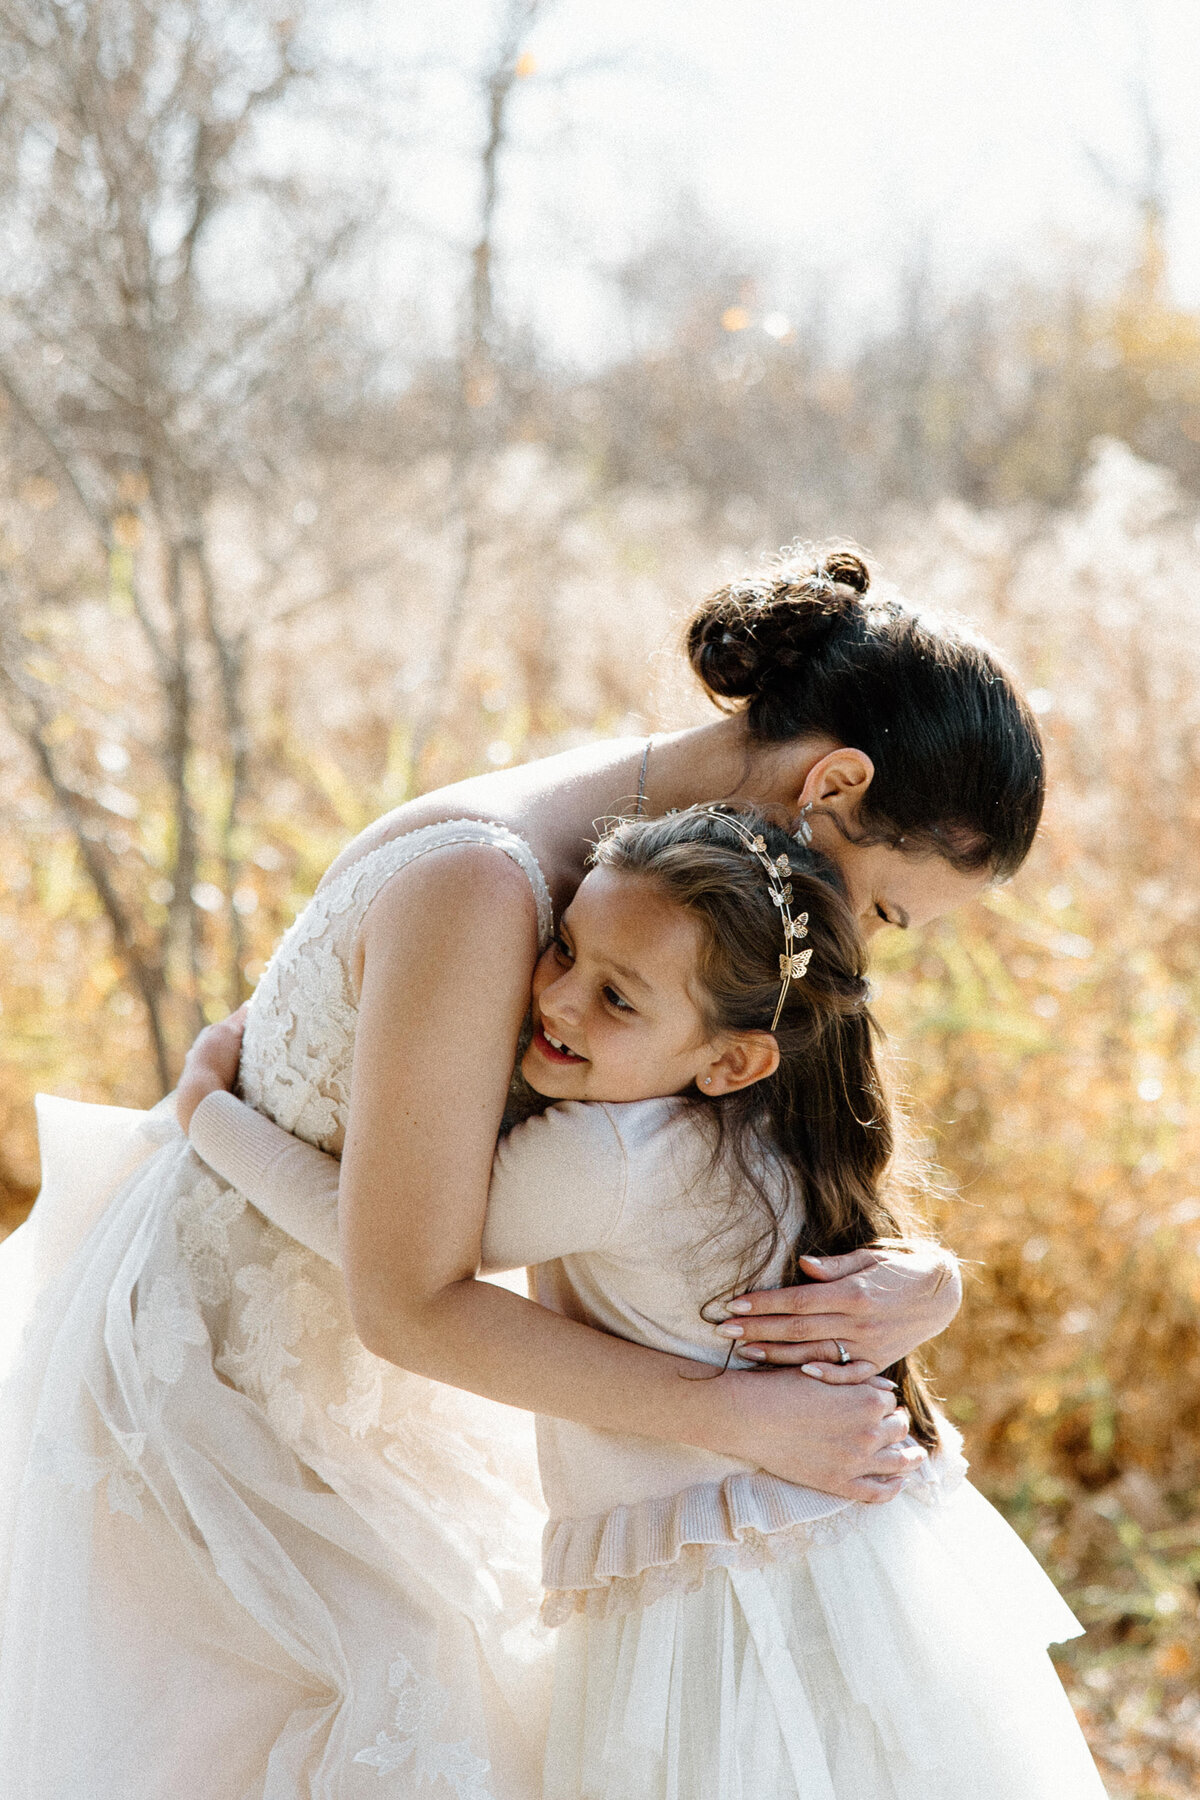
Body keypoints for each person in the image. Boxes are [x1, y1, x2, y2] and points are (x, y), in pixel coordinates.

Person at [0, 549, 1043, 1797]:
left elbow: (740, 1160)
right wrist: (743, 1414)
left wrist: (920, 1280)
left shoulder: (664, 889)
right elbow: (405, 1297)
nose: (858, 950)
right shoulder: (493, 887)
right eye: (882, 909)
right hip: (245, 1386)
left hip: (434, 1371)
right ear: (834, 783)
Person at [182, 805, 1105, 1798]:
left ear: (732, 1056)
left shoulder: (606, 1157)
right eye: (565, 948)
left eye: (617, 998)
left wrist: (212, 1117)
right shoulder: (776, 1118)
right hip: (862, 1569)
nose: (561, 1001)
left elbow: (388, 1249)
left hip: (721, 1607)